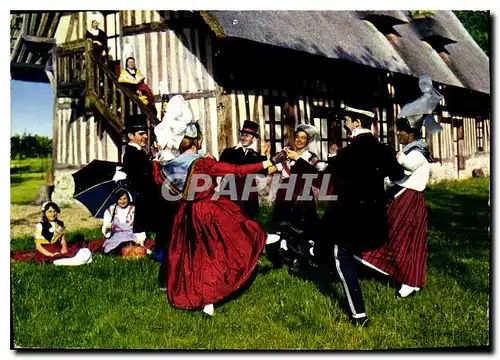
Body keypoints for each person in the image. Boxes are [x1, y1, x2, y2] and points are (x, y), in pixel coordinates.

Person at [152, 95, 285, 316]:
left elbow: (161, 181)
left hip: (185, 213)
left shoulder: (164, 165)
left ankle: (203, 299)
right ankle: (258, 242)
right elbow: (237, 170)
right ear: (196, 141)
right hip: (206, 209)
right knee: (228, 241)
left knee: (195, 257)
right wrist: (269, 161)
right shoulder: (203, 163)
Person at [289, 107, 405, 327]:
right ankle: (313, 250)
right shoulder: (385, 151)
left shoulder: (348, 153)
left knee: (342, 256)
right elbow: (399, 178)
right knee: (345, 248)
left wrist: (300, 161)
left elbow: (323, 179)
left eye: (348, 121)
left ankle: (358, 314)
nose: (345, 125)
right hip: (374, 219)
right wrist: (383, 197)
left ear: (357, 124)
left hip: (347, 219)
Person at [360, 98, 437, 299]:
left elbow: (409, 166)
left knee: (400, 237)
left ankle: (407, 278)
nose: (398, 134)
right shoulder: (411, 149)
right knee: (404, 237)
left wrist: (393, 156)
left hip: (408, 199)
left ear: (410, 132)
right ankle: (410, 279)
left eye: (401, 131)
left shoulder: (418, 151)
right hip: (404, 197)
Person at [121, 114, 175, 289]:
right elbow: (144, 180)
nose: (145, 136)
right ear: (131, 136)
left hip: (154, 200)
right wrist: (156, 164)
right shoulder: (131, 154)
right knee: (167, 235)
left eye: (145, 133)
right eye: (141, 133)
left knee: (165, 236)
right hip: (150, 202)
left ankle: (164, 266)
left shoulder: (139, 153)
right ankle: (164, 279)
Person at [269, 124, 327, 255]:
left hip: (303, 193)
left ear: (307, 141)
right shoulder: (286, 154)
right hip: (285, 192)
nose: (299, 140)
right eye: (297, 137)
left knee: (305, 223)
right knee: (282, 220)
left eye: (303, 138)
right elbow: (269, 170)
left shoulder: (311, 157)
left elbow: (321, 171)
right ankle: (283, 247)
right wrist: (271, 156)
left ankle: (306, 249)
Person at [218, 120, 269, 219]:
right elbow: (221, 168)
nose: (244, 138)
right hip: (230, 193)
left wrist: (265, 155)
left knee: (248, 222)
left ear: (253, 139)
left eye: (247, 136)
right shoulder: (229, 152)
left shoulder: (257, 156)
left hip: (248, 196)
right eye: (243, 135)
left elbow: (263, 173)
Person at [101, 188, 148, 255]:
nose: (122, 201)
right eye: (120, 199)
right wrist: (109, 227)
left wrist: (141, 240)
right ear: (116, 200)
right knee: (113, 246)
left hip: (132, 236)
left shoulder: (134, 210)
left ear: (128, 199)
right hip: (116, 236)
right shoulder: (110, 211)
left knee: (133, 246)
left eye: (124, 199)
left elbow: (140, 227)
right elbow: (106, 228)